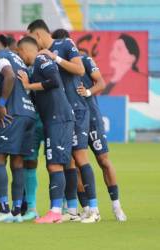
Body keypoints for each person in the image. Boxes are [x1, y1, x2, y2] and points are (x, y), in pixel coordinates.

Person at [28, 19, 101, 223]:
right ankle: (73, 209)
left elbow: (79, 70)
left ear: (38, 35)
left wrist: (55, 58)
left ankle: (94, 210)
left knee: (80, 157)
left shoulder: (65, 44)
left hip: (76, 109)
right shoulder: (40, 58)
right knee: (66, 160)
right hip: (62, 113)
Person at [53, 29, 127, 221]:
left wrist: (87, 92)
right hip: (73, 119)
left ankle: (116, 205)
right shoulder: (55, 66)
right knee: (75, 163)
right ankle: (87, 207)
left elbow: (101, 83)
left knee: (103, 160)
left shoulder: (83, 60)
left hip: (90, 117)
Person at [17, 36, 75, 223]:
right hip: (54, 119)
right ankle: (59, 210)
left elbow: (54, 81)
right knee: (55, 164)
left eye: (20, 53)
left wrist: (28, 85)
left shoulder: (41, 60)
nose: (20, 57)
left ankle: (56, 211)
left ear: (25, 51)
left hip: (59, 118)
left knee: (55, 164)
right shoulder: (34, 68)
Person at [0, 34, 36, 223]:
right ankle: (16, 212)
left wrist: (2, 104)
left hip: (12, 114)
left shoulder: (1, 56)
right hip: (29, 113)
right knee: (18, 161)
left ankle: (4, 209)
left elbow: (9, 76)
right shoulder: (19, 59)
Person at [102, 33, 147, 102]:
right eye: (112, 49)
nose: (113, 53)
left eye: (119, 49)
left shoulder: (141, 81)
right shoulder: (103, 80)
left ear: (132, 58)